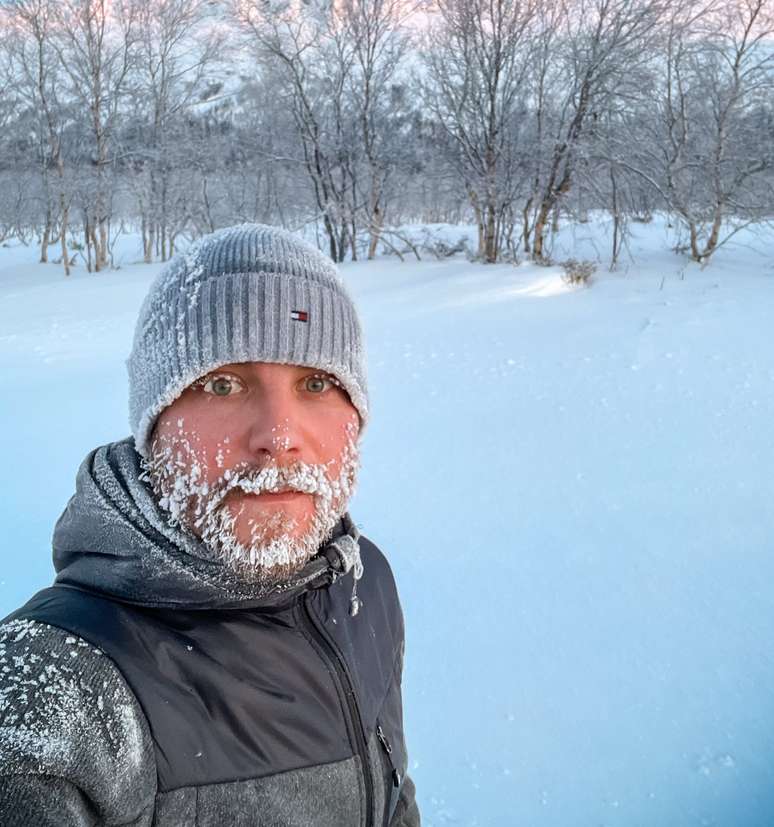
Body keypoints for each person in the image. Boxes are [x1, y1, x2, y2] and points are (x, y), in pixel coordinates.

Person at [0, 224, 420, 827]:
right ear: (154, 423)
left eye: (317, 383)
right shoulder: (51, 697)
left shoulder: (363, 584)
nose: (278, 437)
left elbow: (395, 794)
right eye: (221, 384)